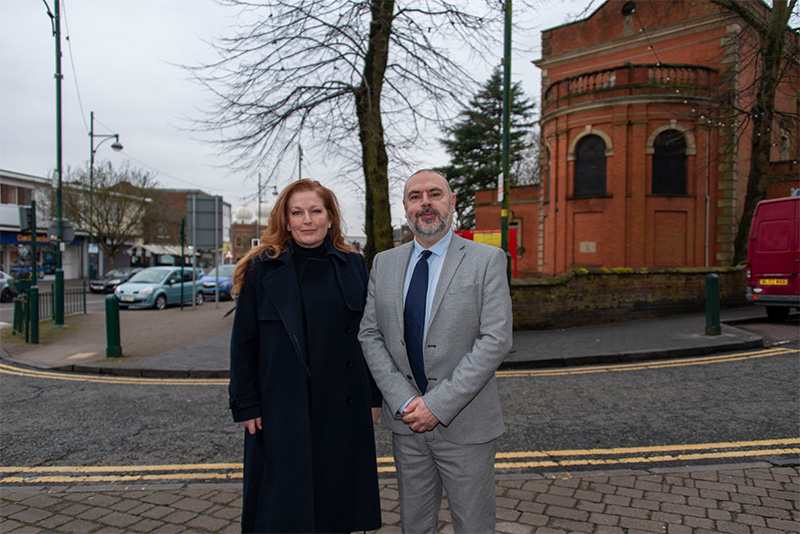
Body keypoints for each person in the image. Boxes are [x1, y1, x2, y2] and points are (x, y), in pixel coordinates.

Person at [359, 169, 513, 533]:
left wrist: (437, 405)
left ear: (452, 202)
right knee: (415, 526)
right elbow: (369, 334)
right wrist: (403, 400)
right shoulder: (384, 262)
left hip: (467, 427)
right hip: (407, 425)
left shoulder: (487, 260)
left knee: (473, 526)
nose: (425, 203)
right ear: (405, 207)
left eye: (434, 194)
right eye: (415, 196)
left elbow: (496, 339)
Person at [229, 179, 382, 533]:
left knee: (336, 508)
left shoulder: (353, 265)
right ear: (286, 219)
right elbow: (244, 342)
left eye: (315, 211)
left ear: (330, 218)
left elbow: (369, 338)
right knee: (284, 508)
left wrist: (373, 396)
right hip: (282, 408)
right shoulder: (261, 268)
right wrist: (247, 404)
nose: (307, 220)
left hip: (341, 405)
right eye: (297, 213)